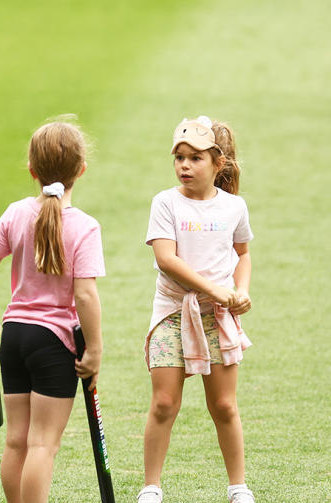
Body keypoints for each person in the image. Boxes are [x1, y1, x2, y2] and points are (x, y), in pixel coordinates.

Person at [0, 120, 105, 503]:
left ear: (32, 169)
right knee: (43, 444)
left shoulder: (16, 213)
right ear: (82, 169)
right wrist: (94, 349)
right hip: (54, 342)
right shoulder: (84, 227)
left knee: (16, 442)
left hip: (14, 335)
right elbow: (85, 296)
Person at [138, 117, 254, 503]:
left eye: (195, 158)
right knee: (164, 403)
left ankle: (238, 487)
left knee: (223, 405)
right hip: (173, 313)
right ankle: (151, 486)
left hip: (217, 317)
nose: (185, 166)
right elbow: (167, 260)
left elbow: (243, 254)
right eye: (180, 158)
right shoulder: (165, 202)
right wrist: (219, 292)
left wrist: (240, 290)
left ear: (217, 163)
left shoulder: (234, 207)